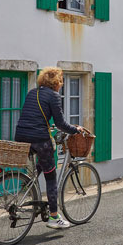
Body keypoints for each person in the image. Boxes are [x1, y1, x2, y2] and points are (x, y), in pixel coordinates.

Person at [14, 67, 87, 229]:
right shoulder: (54, 96)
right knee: (51, 176)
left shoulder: (32, 92)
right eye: (61, 82)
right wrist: (76, 129)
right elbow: (61, 123)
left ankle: (29, 184)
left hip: (21, 135)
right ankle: (54, 217)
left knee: (44, 159)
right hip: (39, 138)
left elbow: (33, 116)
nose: (61, 85)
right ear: (55, 83)